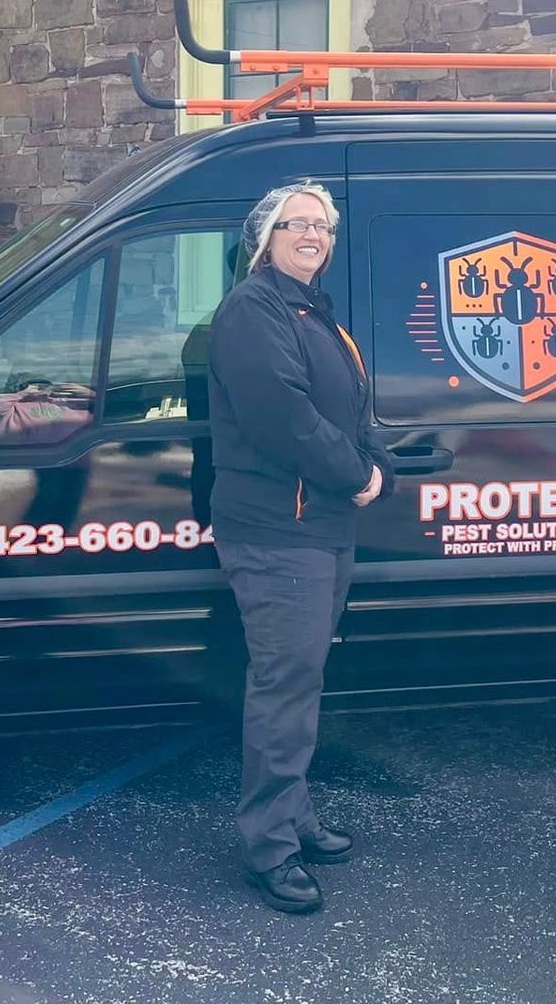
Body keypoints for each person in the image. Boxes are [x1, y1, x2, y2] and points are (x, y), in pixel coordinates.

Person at [206, 180, 395, 913]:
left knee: (301, 683)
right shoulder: (254, 309)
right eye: (297, 224)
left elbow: (346, 406)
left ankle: (294, 816)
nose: (313, 235)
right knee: (284, 689)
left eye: (323, 225)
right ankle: (269, 848)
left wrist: (376, 462)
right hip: (278, 532)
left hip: (319, 526)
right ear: (267, 235)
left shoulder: (311, 309)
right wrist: (357, 476)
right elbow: (281, 416)